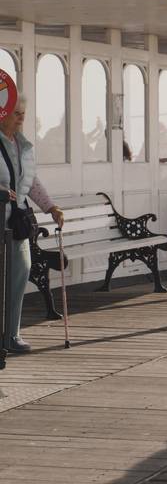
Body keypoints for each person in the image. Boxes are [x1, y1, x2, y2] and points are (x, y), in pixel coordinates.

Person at [0, 98, 65, 353]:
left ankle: (11, 335)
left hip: (17, 221)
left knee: (20, 274)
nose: (21, 118)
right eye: (16, 113)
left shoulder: (22, 145)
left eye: (23, 113)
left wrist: (51, 207)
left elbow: (31, 181)